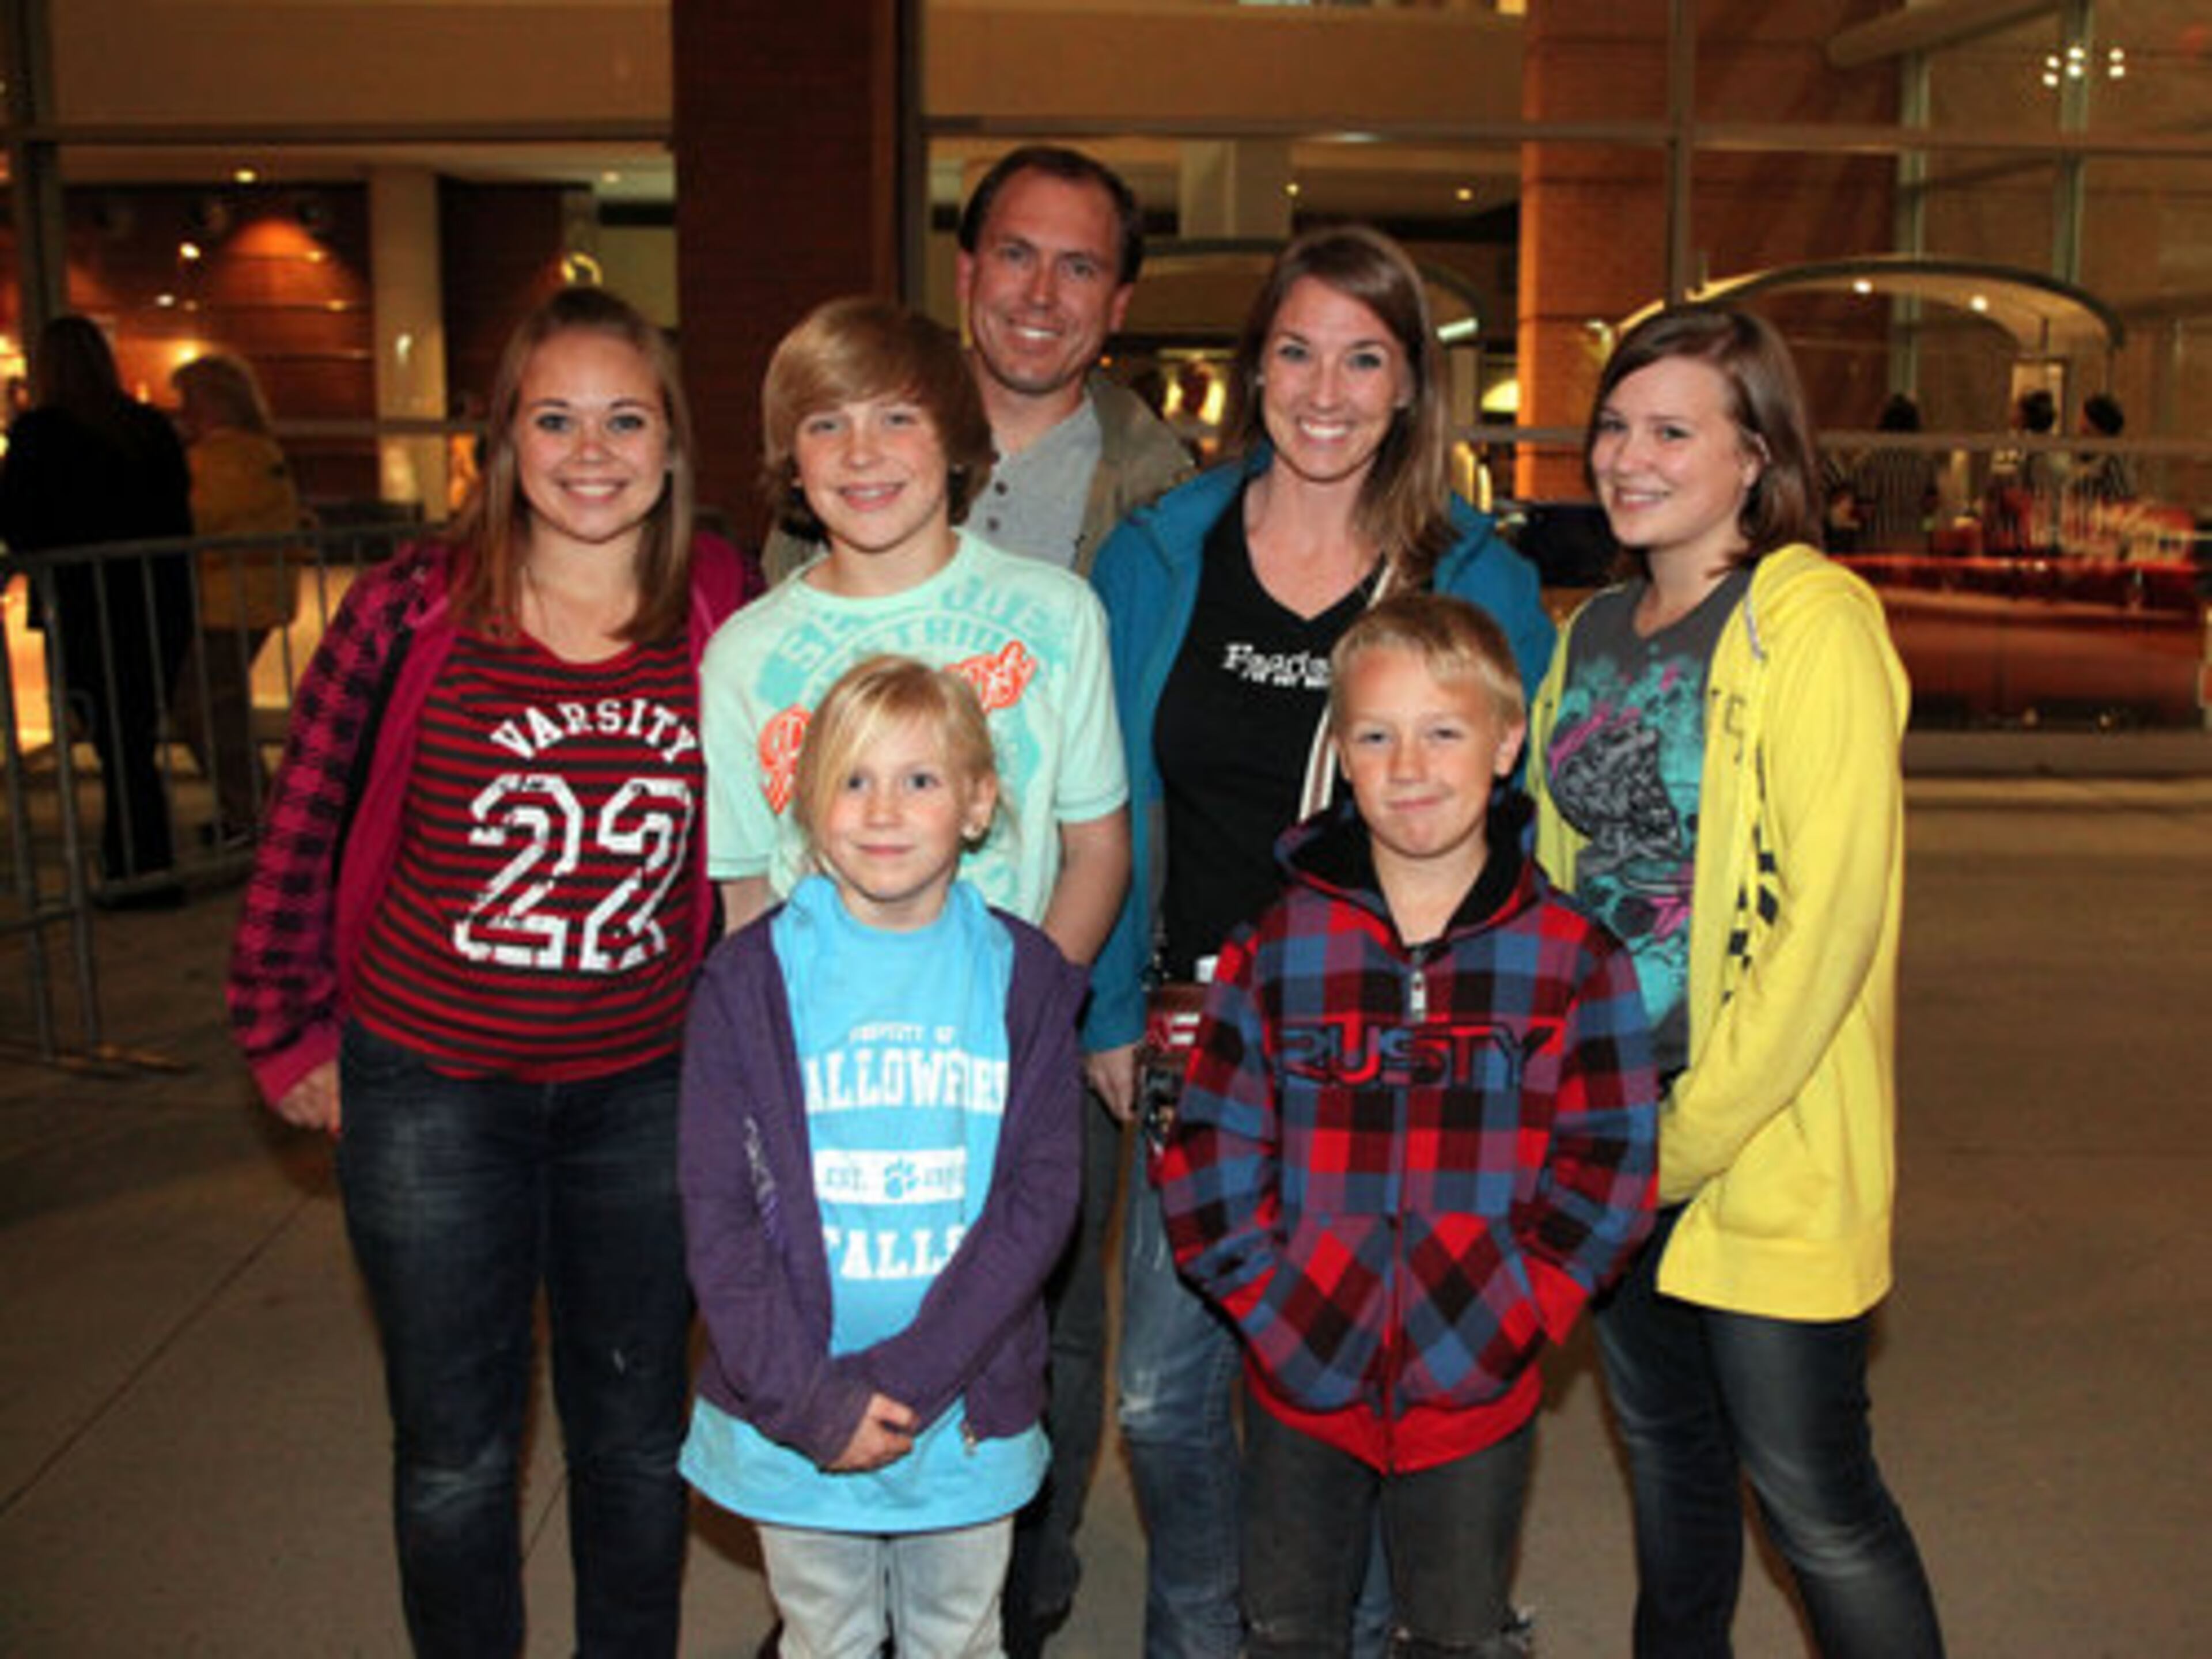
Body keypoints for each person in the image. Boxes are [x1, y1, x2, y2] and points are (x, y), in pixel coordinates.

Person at [227, 285, 759, 1657]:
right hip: (429, 1096)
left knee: (636, 1440)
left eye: (625, 417)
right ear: (502, 441)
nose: (592, 451)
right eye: (555, 417)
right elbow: (304, 825)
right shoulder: (411, 607)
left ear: (672, 439)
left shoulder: (719, 602)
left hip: (646, 1091)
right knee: (457, 1449)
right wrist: (285, 1035)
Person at [1085, 223, 1556, 1659]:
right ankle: (1202, 1632)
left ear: (1412, 383)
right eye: (1295, 350)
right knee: (1167, 1400)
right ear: (1252, 371)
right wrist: (1108, 1007)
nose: (1326, 387)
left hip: (1386, 1055)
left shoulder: (1476, 577)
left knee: (1365, 1395)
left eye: (1365, 355)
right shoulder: (1160, 554)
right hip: (1197, 1049)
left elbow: (1508, 834)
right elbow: (1101, 795)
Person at [720, 285, 1141, 1656]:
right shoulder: (747, 653)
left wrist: (1031, 1024)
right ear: (788, 460)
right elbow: (741, 895)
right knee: (823, 1342)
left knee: (1022, 1350)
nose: (860, 450)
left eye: (896, 415)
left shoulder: (1052, 611)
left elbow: (1092, 845)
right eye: (824, 423)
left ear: (956, 439)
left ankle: (1008, 1602)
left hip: (998, 1071)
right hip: (823, 1101)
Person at [1528, 305, 1945, 1659]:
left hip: (1754, 1138)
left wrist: (1680, 1142)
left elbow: (1827, 923)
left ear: (1754, 458)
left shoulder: (1808, 620)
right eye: (1612, 426)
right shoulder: (1587, 627)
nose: (1625, 458)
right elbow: (1551, 880)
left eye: (1669, 432)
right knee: (1670, 1473)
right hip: (1607, 1125)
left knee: (1814, 1502)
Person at [1156, 591, 1658, 1658]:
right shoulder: (1280, 945)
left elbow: (1610, 1163)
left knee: (1455, 1628)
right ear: (1340, 752)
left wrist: (1524, 1306)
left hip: (1478, 1366)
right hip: (1300, 1366)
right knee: (1287, 1625)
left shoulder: (1574, 957)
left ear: (1507, 743)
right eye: (1377, 736)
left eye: (1445, 732)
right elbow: (1210, 1147)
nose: (1411, 766)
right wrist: (1268, 1299)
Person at [680, 654, 1085, 1658]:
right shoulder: (745, 984)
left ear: (980, 803)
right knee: (828, 1637)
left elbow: (1040, 1201)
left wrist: (905, 1380)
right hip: (796, 1409)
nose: (884, 809)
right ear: (811, 805)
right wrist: (817, 1401)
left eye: (921, 779)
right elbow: (718, 1217)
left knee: (960, 1636)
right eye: (853, 780)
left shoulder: (1024, 975)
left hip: (964, 1407)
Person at [0, 315, 194, 899]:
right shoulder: (146, 428)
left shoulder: (41, 435)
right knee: (130, 736)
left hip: (87, 605)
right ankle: (141, 862)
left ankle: (139, 866)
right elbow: (178, 511)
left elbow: (19, 520)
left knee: (118, 741)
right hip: (153, 600)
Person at [168, 351, 305, 846]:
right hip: (250, 596)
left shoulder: (225, 458)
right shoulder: (260, 453)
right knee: (217, 708)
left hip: (228, 600)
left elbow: (195, 518)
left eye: (188, 401)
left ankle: (253, 812)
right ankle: (253, 809)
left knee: (206, 707)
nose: (181, 411)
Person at [1850, 392, 1937, 554]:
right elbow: (1930, 506)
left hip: (1877, 546)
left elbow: (1865, 511)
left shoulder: (1869, 460)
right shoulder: (1925, 460)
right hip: (1915, 544)